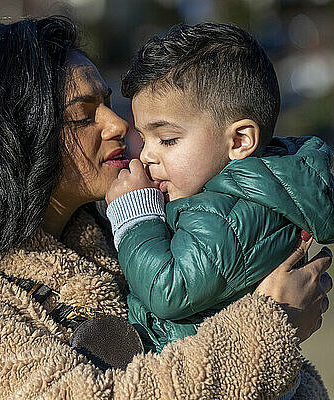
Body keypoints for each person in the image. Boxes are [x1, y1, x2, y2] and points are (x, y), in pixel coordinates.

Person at [0, 17, 332, 400]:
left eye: (108, 103)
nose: (118, 125)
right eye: (82, 116)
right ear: (9, 141)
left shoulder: (129, 245)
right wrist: (271, 327)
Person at [105, 22, 334, 357]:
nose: (147, 155)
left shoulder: (231, 212)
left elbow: (169, 289)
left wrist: (135, 215)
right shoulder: (248, 192)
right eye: (144, 137)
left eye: (167, 139)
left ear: (240, 140)